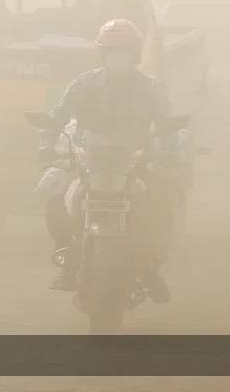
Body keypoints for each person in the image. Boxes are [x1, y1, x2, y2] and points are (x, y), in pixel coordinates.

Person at [35, 18, 174, 301]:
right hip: (89, 161)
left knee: (163, 203)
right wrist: (45, 146)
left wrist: (170, 154)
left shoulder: (151, 88)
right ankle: (66, 258)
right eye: (112, 52)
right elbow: (57, 116)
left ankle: (150, 269)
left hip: (134, 162)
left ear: (135, 55)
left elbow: (167, 125)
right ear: (103, 54)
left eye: (124, 52)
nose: (118, 59)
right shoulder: (84, 83)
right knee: (56, 198)